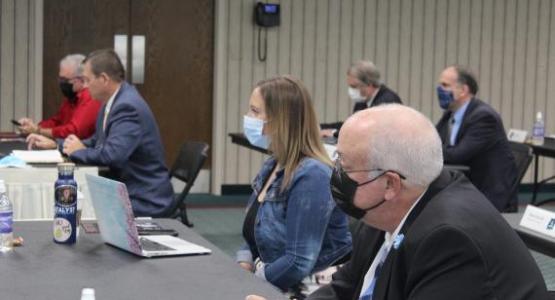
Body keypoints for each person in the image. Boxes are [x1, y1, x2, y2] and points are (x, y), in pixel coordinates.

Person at [236, 75, 352, 294]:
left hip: (307, 289)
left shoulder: (312, 175)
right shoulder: (274, 164)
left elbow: (298, 261)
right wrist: (244, 263)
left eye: (255, 111)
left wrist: (252, 282)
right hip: (272, 278)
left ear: (281, 120)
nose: (248, 118)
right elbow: (253, 235)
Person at [26, 49, 174, 217]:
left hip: (144, 199)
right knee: (69, 200)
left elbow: (112, 155)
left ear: (103, 79)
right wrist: (58, 145)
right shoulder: (112, 101)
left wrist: (77, 151)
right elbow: (97, 140)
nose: (85, 86)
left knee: (71, 203)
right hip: (125, 189)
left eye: (87, 80)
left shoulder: (127, 107)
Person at [435, 66, 518, 211]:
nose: (439, 89)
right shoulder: (449, 114)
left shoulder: (483, 117)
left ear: (463, 90)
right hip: (463, 185)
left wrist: (428, 151)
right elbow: (433, 142)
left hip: (488, 193)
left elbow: (457, 155)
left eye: (445, 85)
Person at [18, 54, 101, 140]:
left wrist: (39, 130)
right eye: (60, 79)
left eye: (65, 80)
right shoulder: (71, 97)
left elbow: (74, 131)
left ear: (81, 79)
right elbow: (56, 122)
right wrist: (32, 127)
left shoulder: (90, 97)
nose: (61, 83)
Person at [320, 60, 402, 138]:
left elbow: (366, 132)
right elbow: (352, 126)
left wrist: (334, 133)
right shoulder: (362, 101)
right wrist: (320, 127)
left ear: (369, 84)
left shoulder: (387, 102)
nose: (351, 90)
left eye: (354, 86)